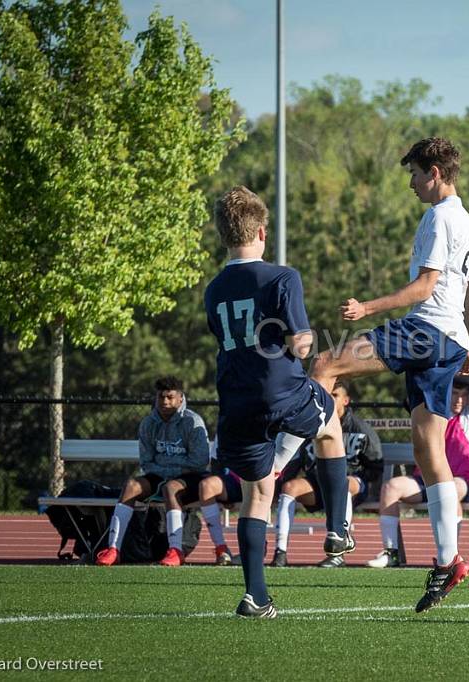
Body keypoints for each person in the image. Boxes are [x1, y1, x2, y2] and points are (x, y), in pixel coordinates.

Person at [310, 137, 469, 613]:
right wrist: (467, 345)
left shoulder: (438, 217)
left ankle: (333, 514)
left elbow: (426, 287)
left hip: (424, 331)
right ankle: (448, 563)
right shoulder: (465, 220)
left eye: (413, 174)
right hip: (448, 341)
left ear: (433, 172)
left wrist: (367, 307)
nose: (410, 183)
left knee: (325, 365)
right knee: (430, 453)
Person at [203, 186, 348, 619]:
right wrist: (302, 337)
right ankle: (338, 529)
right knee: (331, 426)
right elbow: (300, 345)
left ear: (224, 236)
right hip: (282, 392)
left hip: (235, 399)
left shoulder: (213, 288)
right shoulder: (283, 277)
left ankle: (256, 596)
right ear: (262, 231)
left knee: (257, 493)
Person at [367, 372, 469, 568]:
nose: (459, 399)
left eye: (464, 395)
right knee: (391, 487)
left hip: (460, 481)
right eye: (455, 393)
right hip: (425, 481)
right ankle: (391, 552)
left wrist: (464, 356)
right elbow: (414, 392)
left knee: (452, 489)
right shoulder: (430, 413)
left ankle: (451, 556)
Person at [95, 376, 210, 567]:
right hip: (158, 476)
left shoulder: (193, 422)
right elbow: (146, 463)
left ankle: (175, 551)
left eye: (170, 397)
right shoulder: (148, 423)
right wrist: (164, 471)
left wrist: (169, 470)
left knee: (171, 488)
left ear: (180, 399)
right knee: (131, 486)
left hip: (188, 478)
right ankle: (114, 549)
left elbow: (199, 462)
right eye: (160, 397)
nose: (165, 402)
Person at [271, 381, 383, 567]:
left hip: (353, 484)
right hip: (318, 483)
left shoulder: (361, 428)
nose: (329, 398)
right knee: (289, 487)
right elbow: (297, 459)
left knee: (344, 482)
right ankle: (280, 552)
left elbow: (375, 465)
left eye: (335, 395)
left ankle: (338, 549)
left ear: (346, 400)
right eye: (327, 394)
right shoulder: (312, 423)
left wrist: (368, 483)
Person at [197, 453, 244, 566]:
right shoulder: (225, 435)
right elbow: (217, 462)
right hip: (233, 480)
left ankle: (255, 549)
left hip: (260, 479)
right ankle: (221, 548)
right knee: (206, 485)